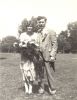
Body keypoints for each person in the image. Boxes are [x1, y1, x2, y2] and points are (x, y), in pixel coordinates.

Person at [36, 16, 58, 95]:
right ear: (38, 23)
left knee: (49, 73)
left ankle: (52, 89)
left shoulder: (50, 31)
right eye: (39, 22)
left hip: (48, 56)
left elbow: (55, 44)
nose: (41, 23)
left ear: (45, 22)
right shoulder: (38, 32)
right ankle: (41, 88)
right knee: (40, 73)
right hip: (39, 56)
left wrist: (52, 55)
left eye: (42, 22)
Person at [19, 20, 39, 95]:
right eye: (28, 26)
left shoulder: (36, 35)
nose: (29, 28)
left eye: (31, 26)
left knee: (31, 72)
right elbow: (21, 44)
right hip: (24, 57)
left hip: (33, 57)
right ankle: (26, 87)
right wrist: (23, 45)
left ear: (33, 27)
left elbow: (37, 45)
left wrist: (33, 45)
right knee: (24, 72)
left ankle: (30, 87)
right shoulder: (22, 34)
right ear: (26, 27)